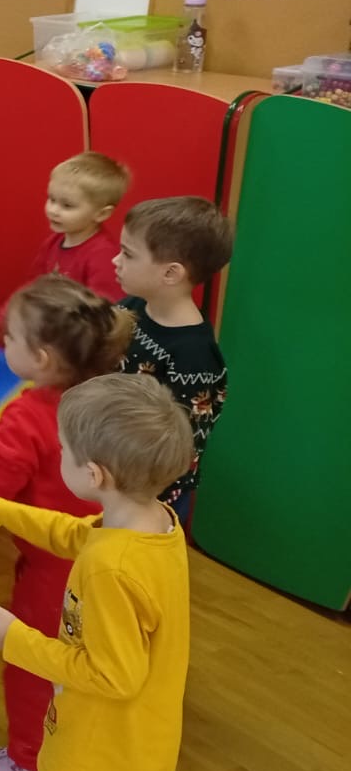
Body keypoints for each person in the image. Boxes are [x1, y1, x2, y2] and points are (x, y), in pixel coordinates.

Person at [0, 374, 194, 771]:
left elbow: (112, 674)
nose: (58, 455)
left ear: (95, 475)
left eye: (62, 450)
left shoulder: (111, 568)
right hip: (131, 757)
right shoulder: (155, 525)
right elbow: (72, 533)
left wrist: (13, 639)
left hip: (91, 765)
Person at [0, 276, 136, 771]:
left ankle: (28, 763)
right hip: (115, 548)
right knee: (91, 658)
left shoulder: (27, 413)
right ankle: (90, 749)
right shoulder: (110, 395)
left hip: (53, 565)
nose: (3, 342)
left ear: (40, 357)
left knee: (32, 661)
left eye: (10, 337)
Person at [114, 197, 231, 525]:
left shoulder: (194, 357)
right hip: (114, 469)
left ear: (170, 273)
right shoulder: (133, 305)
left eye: (128, 254)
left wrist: (142, 498)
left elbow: (180, 446)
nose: (116, 260)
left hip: (149, 495)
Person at [0, 151, 129, 343]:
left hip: (72, 345)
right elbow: (32, 289)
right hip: (47, 335)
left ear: (101, 214)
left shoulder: (103, 256)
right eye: (51, 199)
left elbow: (104, 317)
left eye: (67, 206)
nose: (53, 210)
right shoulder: (54, 242)